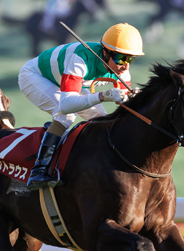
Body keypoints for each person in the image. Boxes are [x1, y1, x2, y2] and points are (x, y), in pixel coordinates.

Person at [18, 23, 144, 190]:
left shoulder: (121, 68)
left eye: (131, 59)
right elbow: (66, 105)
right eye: (121, 58)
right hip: (34, 76)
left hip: (62, 79)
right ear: (105, 52)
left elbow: (125, 102)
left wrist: (136, 98)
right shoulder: (80, 58)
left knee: (99, 118)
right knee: (66, 114)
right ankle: (38, 171)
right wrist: (103, 95)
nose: (126, 65)